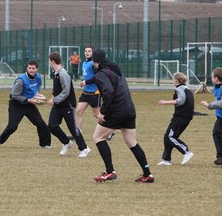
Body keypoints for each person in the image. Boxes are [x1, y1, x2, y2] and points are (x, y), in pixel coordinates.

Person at [91, 49, 154, 183]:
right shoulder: (116, 71)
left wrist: (103, 112)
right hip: (129, 109)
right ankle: (147, 174)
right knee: (132, 142)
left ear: (95, 62)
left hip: (117, 110)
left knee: (97, 137)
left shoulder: (101, 73)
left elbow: (108, 92)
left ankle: (109, 171)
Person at [0, 60, 51, 148]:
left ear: (36, 69)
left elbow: (38, 86)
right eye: (29, 68)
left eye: (33, 68)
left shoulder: (38, 77)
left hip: (29, 105)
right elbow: (14, 95)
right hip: (16, 104)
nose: (31, 70)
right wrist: (29, 100)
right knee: (12, 127)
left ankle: (44, 144)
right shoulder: (21, 80)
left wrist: (37, 94)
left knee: (41, 124)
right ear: (27, 68)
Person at [47, 52, 91, 158]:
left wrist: (55, 100)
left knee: (73, 128)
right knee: (52, 126)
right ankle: (66, 142)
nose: (49, 63)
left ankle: (84, 148)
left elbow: (66, 92)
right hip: (59, 105)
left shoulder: (63, 74)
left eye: (49, 62)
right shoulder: (55, 73)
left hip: (68, 105)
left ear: (53, 62)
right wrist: (54, 97)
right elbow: (57, 89)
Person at [156, 72, 194, 166]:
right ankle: (166, 159)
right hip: (185, 117)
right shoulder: (187, 89)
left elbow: (181, 101)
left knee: (170, 137)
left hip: (181, 117)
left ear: (175, 81)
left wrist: (165, 102)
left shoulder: (179, 89)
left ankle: (186, 152)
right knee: (168, 137)